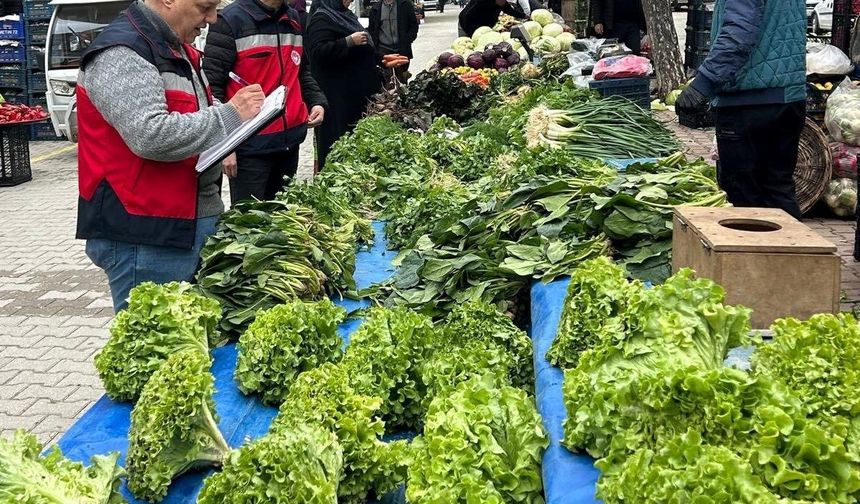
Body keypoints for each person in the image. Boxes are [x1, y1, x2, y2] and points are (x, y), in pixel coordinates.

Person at [76, 0, 265, 312]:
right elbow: (150, 134)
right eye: (205, 7)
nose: (213, 18)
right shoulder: (123, 53)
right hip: (146, 236)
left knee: (190, 341)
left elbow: (191, 115)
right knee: (157, 348)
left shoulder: (175, 47)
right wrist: (230, 115)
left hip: (181, 224)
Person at [676, 0, 806, 220]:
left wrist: (702, 84)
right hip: (788, 97)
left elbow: (738, 34)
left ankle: (755, 252)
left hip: (748, 100)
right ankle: (794, 252)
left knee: (744, 198)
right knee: (777, 190)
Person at [203, 0, 329, 204]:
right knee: (249, 225)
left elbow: (302, 71)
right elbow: (211, 88)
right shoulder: (230, 20)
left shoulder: (293, 19)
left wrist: (316, 101)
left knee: (281, 220)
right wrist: (224, 146)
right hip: (250, 148)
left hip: (289, 143)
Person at [307, 0, 383, 169]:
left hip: (356, 97)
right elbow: (318, 53)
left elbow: (364, 49)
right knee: (337, 142)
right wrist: (348, 41)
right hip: (337, 98)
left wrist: (382, 60)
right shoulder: (321, 19)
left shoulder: (347, 16)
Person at [368, 0, 419, 83]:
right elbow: (372, 30)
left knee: (402, 79)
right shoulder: (375, 8)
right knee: (387, 80)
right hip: (383, 50)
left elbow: (413, 26)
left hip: (402, 49)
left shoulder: (405, 5)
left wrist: (407, 40)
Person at [458, 0, 526, 37]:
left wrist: (525, 16)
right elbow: (467, 17)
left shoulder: (502, 2)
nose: (504, 2)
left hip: (481, 28)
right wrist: (475, 35)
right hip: (465, 25)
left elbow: (511, 11)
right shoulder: (481, 2)